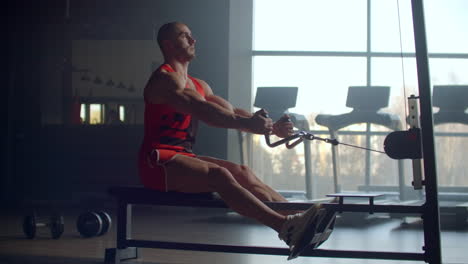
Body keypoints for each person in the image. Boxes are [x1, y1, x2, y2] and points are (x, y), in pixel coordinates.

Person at [139, 21, 334, 260]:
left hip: (183, 156)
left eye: (192, 35)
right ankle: (286, 228)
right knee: (219, 175)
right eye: (184, 36)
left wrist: (272, 128)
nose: (193, 40)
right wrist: (249, 125)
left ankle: (304, 217)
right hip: (156, 161)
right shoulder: (165, 81)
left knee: (243, 171)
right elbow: (205, 112)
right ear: (168, 44)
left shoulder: (200, 85)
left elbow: (233, 111)